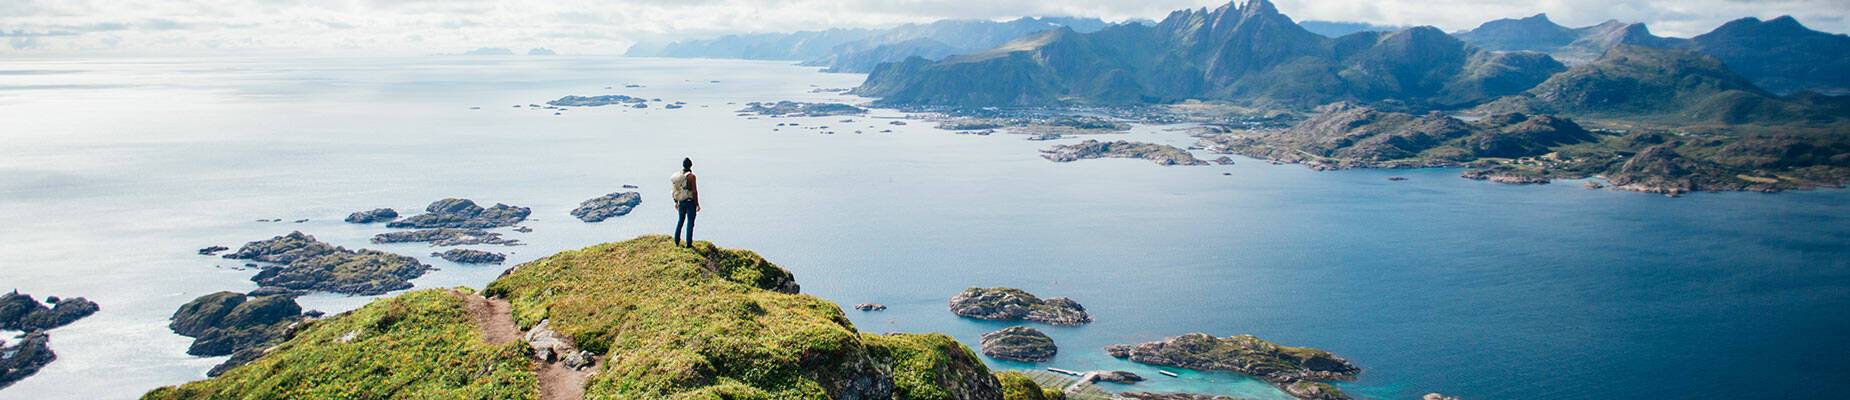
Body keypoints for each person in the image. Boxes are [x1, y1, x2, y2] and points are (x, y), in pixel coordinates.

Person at [671, 158, 700, 247]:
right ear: (691, 165)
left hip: (681, 202)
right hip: (690, 202)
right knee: (690, 223)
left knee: (680, 221)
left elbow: (675, 189)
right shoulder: (691, 176)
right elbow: (694, 191)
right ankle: (688, 244)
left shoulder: (679, 176)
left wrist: (676, 201)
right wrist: (697, 204)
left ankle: (676, 241)